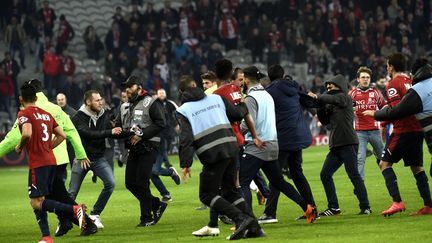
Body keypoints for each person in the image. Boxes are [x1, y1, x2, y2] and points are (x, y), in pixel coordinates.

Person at [0, 79, 97, 237]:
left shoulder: (28, 111)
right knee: (53, 195)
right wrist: (80, 153)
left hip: (41, 161)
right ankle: (65, 222)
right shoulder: (54, 108)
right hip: (57, 158)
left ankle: (84, 222)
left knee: (45, 198)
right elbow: (69, 131)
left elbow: (12, 139)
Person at [177, 75, 264, 240]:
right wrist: (243, 104)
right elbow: (237, 114)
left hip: (213, 154)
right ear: (196, 86)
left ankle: (241, 219)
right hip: (232, 148)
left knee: (207, 195)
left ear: (181, 92)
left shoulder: (183, 110)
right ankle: (254, 227)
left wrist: (185, 163)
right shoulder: (216, 99)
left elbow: (186, 139)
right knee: (230, 191)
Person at [239, 66, 315, 224]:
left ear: (246, 79)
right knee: (279, 181)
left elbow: (248, 122)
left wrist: (237, 129)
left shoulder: (251, 98)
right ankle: (307, 208)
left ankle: (247, 221)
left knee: (243, 181)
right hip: (273, 143)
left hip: (257, 145)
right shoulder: (267, 95)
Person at [363, 54, 432, 216]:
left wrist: (378, 116)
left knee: (384, 164)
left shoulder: (393, 84)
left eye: (387, 65)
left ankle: (397, 202)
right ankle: (428, 205)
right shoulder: (411, 81)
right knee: (417, 167)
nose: (387, 68)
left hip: (403, 131)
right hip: (417, 130)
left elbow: (397, 110)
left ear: (391, 67)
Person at [260, 64, 319, 224]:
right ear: (283, 74)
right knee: (297, 173)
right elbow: (310, 101)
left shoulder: (269, 92)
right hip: (298, 136)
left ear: (269, 77)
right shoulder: (294, 88)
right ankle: (312, 208)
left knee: (275, 176)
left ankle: (270, 213)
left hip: (283, 140)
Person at [308, 74, 371, 216]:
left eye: (331, 85)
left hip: (348, 143)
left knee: (353, 175)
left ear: (340, 85)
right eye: (327, 85)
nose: (328, 87)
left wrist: (319, 97)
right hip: (337, 144)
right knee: (325, 175)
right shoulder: (331, 101)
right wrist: (319, 107)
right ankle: (334, 207)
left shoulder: (345, 98)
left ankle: (365, 206)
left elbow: (330, 98)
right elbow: (324, 121)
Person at [118, 75, 168, 227]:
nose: (128, 89)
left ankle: (146, 218)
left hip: (149, 146)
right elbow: (121, 123)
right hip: (134, 147)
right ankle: (156, 204)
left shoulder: (151, 102)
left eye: (130, 86)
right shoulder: (128, 105)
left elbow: (161, 123)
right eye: (126, 87)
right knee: (130, 183)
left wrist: (142, 135)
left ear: (139, 87)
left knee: (141, 182)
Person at [69, 90, 121, 229]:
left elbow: (113, 131)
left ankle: (95, 214)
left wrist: (131, 133)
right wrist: (110, 132)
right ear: (88, 102)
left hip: (98, 158)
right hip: (82, 159)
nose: (101, 102)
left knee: (111, 183)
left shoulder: (104, 113)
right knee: (72, 193)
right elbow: (89, 134)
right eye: (97, 100)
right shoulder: (77, 117)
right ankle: (64, 220)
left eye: (101, 99)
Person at [348, 66, 386, 180]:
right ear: (358, 79)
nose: (365, 79)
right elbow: (348, 111)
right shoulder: (352, 94)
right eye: (363, 77)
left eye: (368, 77)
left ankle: (389, 180)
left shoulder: (375, 92)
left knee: (383, 158)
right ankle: (360, 187)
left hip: (375, 131)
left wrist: (376, 113)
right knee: (360, 159)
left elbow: (384, 107)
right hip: (360, 133)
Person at [153, 88, 181, 202]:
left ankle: (169, 170)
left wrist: (178, 124)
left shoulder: (164, 107)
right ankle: (165, 194)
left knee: (154, 171)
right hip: (148, 147)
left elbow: (178, 112)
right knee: (150, 173)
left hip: (159, 142)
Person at [56, 93, 76, 172]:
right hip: (59, 143)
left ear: (66, 100)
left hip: (70, 142)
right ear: (56, 101)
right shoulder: (54, 112)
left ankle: (74, 182)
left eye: (62, 99)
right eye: (59, 100)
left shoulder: (73, 112)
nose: (61, 101)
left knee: (73, 163)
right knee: (60, 165)